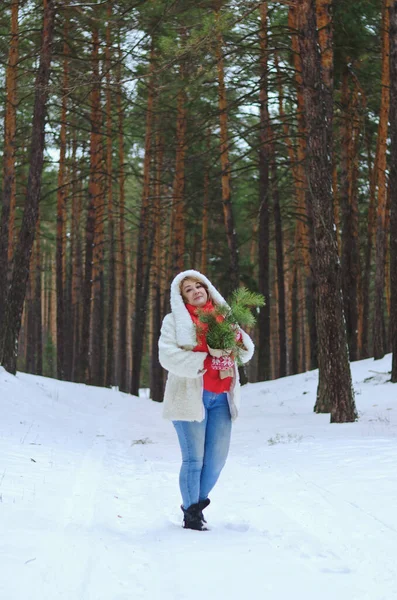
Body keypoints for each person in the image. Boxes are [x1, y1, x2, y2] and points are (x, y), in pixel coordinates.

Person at [158, 269, 255, 531]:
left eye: (199, 285)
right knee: (194, 460)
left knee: (216, 461)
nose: (196, 291)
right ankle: (192, 515)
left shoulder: (225, 317)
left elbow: (245, 352)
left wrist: (234, 345)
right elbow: (167, 356)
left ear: (208, 288)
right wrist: (205, 359)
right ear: (182, 298)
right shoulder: (174, 322)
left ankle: (196, 504)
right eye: (188, 289)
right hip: (191, 398)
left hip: (222, 398)